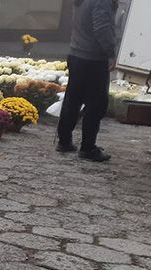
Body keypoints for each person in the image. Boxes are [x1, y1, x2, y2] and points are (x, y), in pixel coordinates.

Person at [56, 0, 118, 162]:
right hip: (93, 58)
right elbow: (101, 27)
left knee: (73, 99)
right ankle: (88, 147)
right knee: (96, 104)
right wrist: (110, 52)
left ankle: (64, 141)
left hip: (76, 53)